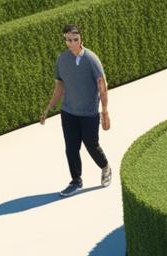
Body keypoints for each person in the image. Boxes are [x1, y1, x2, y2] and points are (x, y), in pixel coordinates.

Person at [40, 24, 112, 197]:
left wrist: (105, 111)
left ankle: (106, 167)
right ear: (64, 40)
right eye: (69, 40)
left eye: (75, 39)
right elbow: (60, 87)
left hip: (88, 114)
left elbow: (102, 86)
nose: (72, 43)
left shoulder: (91, 59)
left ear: (81, 39)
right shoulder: (62, 60)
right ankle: (76, 180)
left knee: (92, 145)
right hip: (68, 113)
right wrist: (49, 108)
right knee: (71, 148)